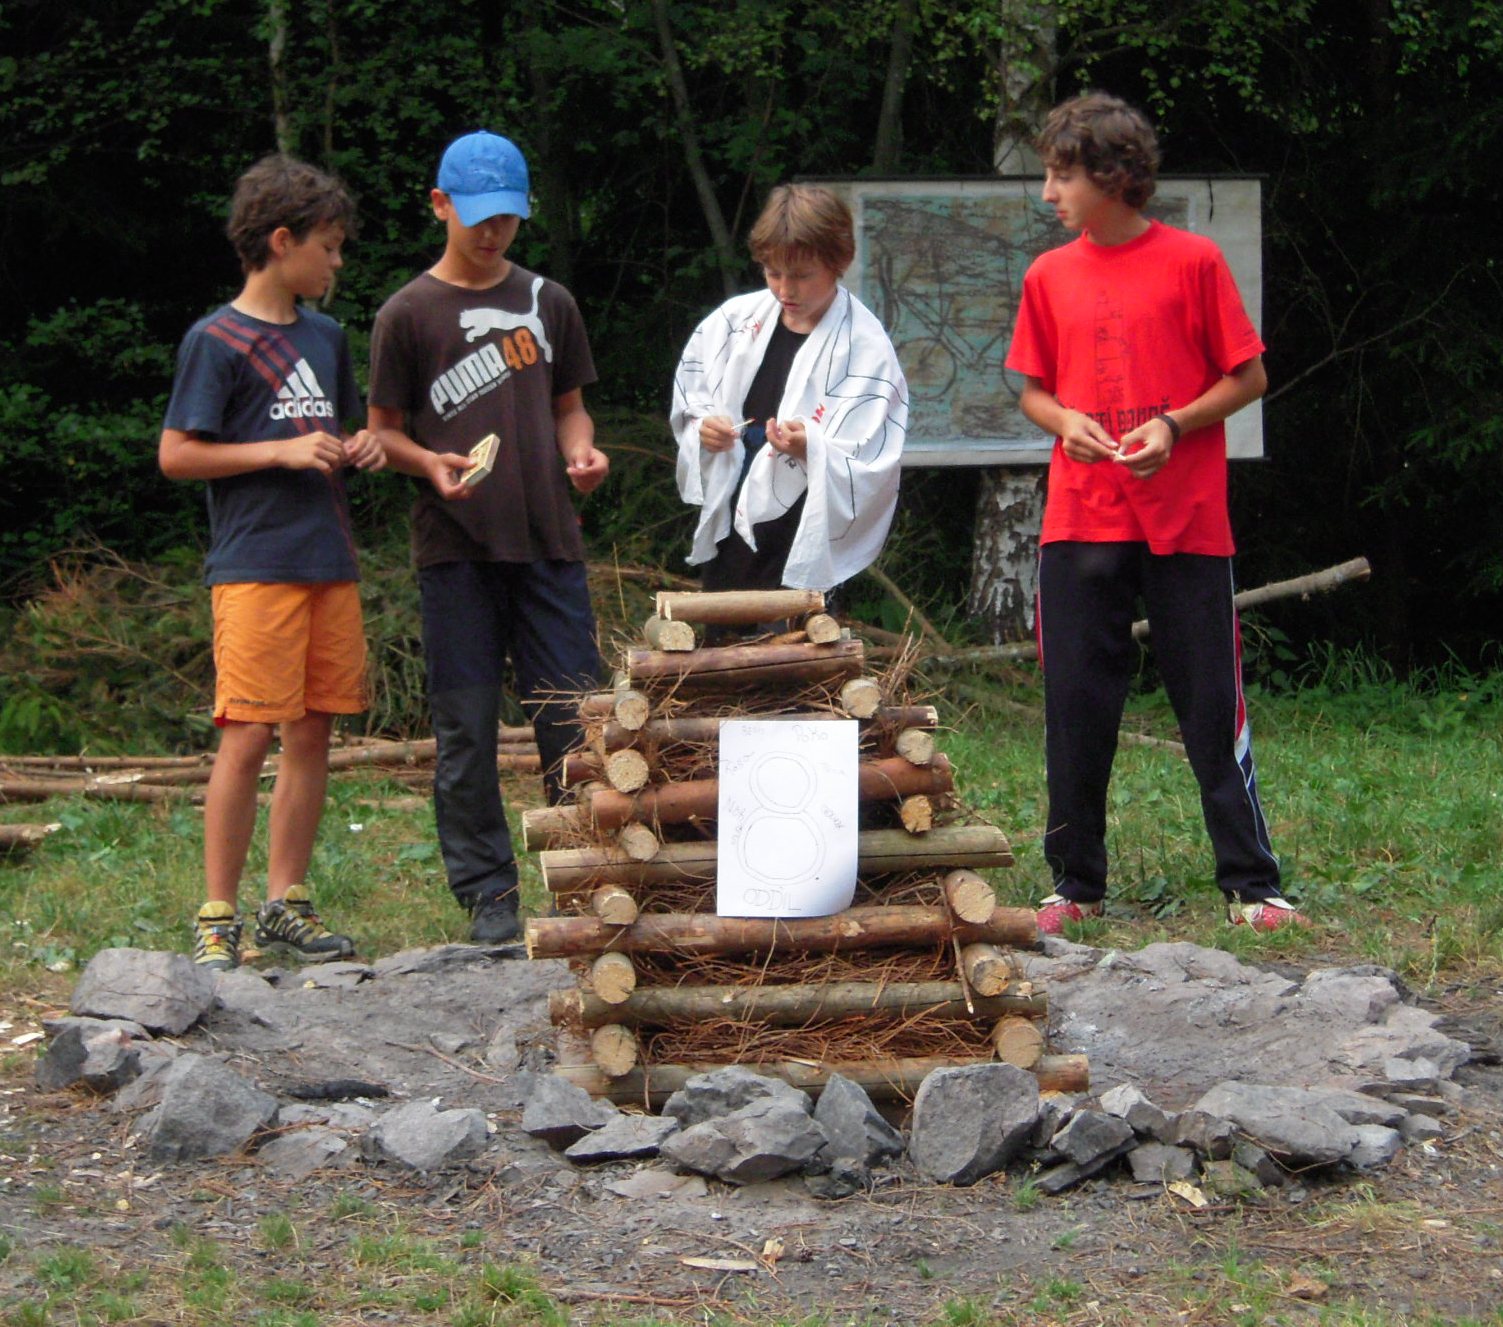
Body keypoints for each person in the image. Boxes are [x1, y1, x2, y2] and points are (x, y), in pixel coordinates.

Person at [1005, 92, 1302, 935]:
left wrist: (1172, 425)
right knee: (1075, 704)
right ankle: (1074, 885)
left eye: (1060, 176)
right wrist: (1065, 420)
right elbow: (1031, 390)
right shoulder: (1046, 274)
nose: (1048, 193)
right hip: (1077, 522)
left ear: (1110, 175)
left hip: (1186, 521)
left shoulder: (1193, 261)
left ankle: (1252, 884)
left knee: (1210, 702)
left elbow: (1248, 376)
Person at [366, 131, 608, 945]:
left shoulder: (549, 300)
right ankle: (488, 894)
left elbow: (570, 406)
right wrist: (426, 464)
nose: (492, 232)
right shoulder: (406, 313)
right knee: (466, 728)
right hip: (456, 549)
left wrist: (581, 452)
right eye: (477, 216)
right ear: (440, 205)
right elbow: (383, 431)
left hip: (548, 543)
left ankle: (582, 876)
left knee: (572, 718)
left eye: (506, 217)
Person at [159, 154, 385, 970]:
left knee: (313, 729)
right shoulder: (215, 340)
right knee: (248, 731)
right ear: (281, 241)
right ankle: (217, 913)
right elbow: (177, 455)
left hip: (329, 558)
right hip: (254, 563)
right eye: (328, 246)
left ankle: (286, 901)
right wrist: (277, 452)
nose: (337, 261)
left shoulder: (326, 337)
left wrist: (363, 447)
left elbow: (340, 431)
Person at [670, 184, 907, 607]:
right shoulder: (733, 324)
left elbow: (872, 457)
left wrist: (811, 447)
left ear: (839, 263)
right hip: (734, 513)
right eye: (773, 273)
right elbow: (693, 397)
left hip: (803, 528)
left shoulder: (865, 349)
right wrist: (705, 430)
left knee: (795, 637)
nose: (784, 289)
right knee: (725, 631)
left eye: (800, 276)